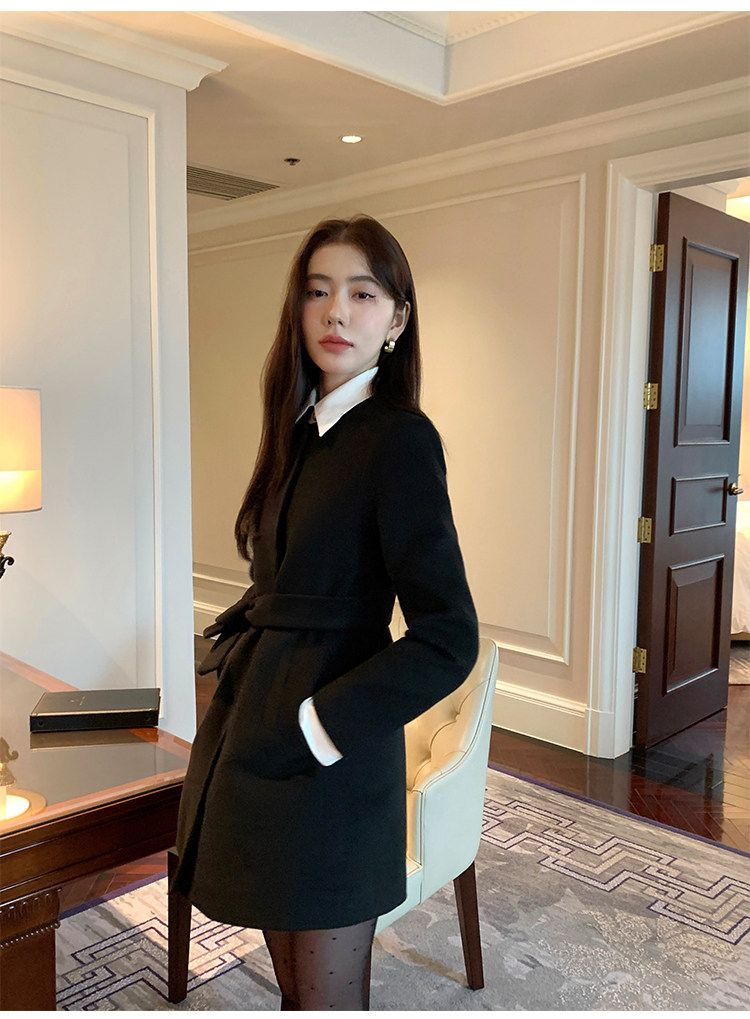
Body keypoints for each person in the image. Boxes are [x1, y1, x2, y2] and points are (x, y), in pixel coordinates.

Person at [173, 215, 479, 1010]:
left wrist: (319, 725)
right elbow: (287, 576)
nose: (335, 311)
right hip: (259, 730)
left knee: (327, 998)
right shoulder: (299, 429)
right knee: (294, 988)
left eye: (361, 293)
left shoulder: (399, 440)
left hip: (332, 757)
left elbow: (449, 635)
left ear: (397, 319)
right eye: (317, 291)